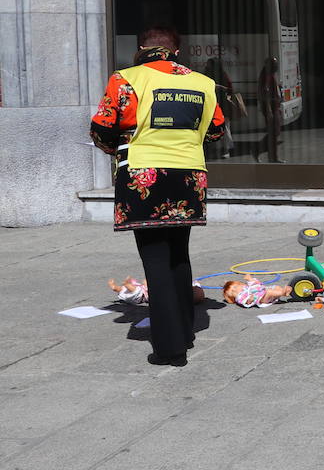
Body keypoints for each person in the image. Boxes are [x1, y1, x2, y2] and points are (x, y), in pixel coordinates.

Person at [90, 25, 225, 366]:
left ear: (141, 48)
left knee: (155, 259)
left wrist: (113, 147)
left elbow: (103, 127)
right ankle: (185, 330)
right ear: (176, 51)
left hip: (144, 175)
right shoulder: (202, 82)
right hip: (190, 175)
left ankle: (169, 348)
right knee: (179, 253)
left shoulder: (126, 78)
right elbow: (217, 129)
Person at [203, 57, 237, 159]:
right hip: (211, 105)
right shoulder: (207, 75)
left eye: (209, 64)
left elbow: (229, 89)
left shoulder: (222, 75)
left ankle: (227, 150)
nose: (207, 66)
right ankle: (219, 149)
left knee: (225, 128)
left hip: (222, 105)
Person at [107, 276, 205, 305]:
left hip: (141, 295)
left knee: (131, 289)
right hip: (139, 296)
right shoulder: (179, 297)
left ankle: (123, 285)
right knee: (123, 290)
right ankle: (116, 287)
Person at [257, 55, 284, 163]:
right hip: (271, 108)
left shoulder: (271, 74)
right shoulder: (266, 75)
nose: (276, 66)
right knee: (274, 132)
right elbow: (266, 93)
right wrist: (269, 110)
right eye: (274, 64)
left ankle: (272, 156)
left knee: (275, 132)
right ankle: (264, 153)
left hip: (275, 107)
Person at [222, 276, 292, 308]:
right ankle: (282, 293)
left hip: (264, 291)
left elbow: (255, 283)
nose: (235, 289)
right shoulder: (240, 296)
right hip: (261, 298)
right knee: (269, 292)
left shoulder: (248, 287)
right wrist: (249, 300)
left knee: (276, 287)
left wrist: (249, 279)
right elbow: (245, 302)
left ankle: (282, 291)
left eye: (236, 286)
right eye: (233, 291)